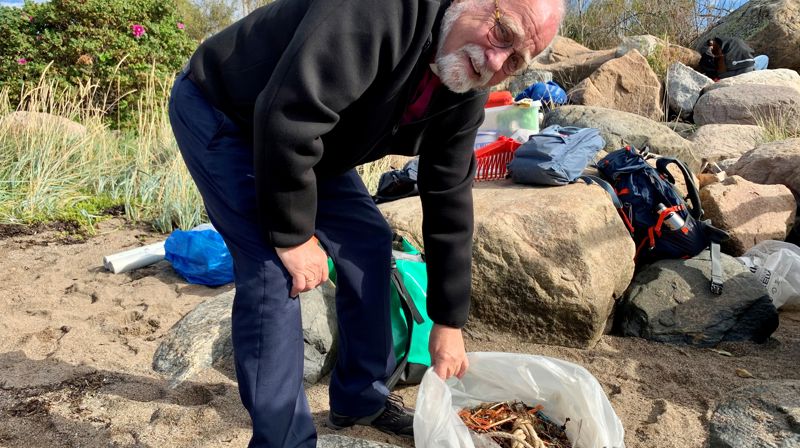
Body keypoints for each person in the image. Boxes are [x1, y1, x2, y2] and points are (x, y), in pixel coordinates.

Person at [168, 0, 563, 446]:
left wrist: (448, 322)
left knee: (368, 240)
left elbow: (449, 199)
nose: (495, 61)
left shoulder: (466, 91)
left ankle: (362, 397)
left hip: (312, 140)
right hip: (227, 110)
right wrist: (293, 237)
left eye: (514, 60)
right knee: (274, 269)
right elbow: (290, 112)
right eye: (502, 34)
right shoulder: (381, 8)